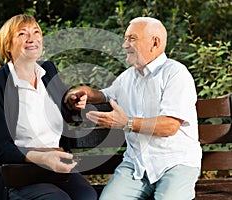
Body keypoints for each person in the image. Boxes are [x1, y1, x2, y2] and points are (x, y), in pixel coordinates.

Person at [65, 17, 202, 200]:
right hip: (136, 164)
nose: (124, 45)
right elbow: (105, 94)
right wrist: (86, 92)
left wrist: (127, 123)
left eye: (132, 38)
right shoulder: (127, 77)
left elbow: (169, 125)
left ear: (155, 42)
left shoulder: (176, 73)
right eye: (125, 38)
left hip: (176, 163)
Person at [0, 14, 97, 200]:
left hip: (55, 166)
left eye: (36, 32)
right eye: (22, 34)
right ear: (8, 45)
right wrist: (41, 157)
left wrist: (72, 104)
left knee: (87, 196)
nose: (32, 38)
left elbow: (63, 110)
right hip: (17, 172)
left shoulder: (48, 71)